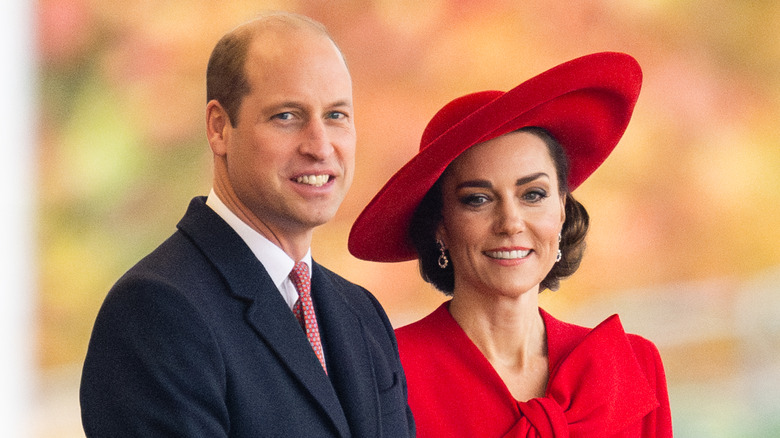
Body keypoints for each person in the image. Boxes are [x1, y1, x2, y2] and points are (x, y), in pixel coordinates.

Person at [80, 12, 414, 437]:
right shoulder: (156, 310)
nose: (320, 146)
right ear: (219, 128)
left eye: (335, 116)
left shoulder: (361, 314)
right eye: (287, 116)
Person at [348, 52, 673, 436]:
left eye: (533, 194)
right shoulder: (383, 374)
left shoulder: (630, 366)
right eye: (478, 199)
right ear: (440, 226)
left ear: (563, 210)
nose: (510, 223)